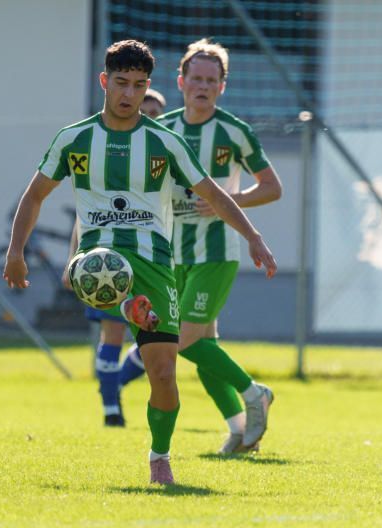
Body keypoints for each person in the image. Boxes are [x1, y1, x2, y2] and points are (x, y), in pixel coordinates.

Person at [4, 40, 276, 485]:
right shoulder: (74, 139)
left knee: (165, 377)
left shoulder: (163, 142)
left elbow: (212, 193)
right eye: (121, 83)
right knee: (94, 271)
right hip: (98, 259)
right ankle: (129, 304)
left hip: (155, 262)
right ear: (104, 82)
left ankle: (159, 453)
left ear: (148, 85)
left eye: (138, 85)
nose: (129, 94)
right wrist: (16, 251)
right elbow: (35, 195)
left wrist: (253, 236)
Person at [120, 38, 283, 454]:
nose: (203, 86)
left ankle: (253, 391)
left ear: (222, 86)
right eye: (196, 78)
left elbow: (272, 187)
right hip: (169, 256)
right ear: (181, 81)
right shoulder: (161, 129)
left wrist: (225, 203)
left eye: (212, 80)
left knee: (184, 342)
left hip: (217, 251)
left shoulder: (234, 131)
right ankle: (241, 428)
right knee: (202, 344)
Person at [60, 89, 168, 428]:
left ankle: (114, 383)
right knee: (114, 333)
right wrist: (72, 257)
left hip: (154, 261)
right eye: (144, 109)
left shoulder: (165, 152)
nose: (148, 115)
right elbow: (86, 214)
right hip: (108, 261)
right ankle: (111, 410)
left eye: (155, 112)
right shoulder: (108, 151)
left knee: (162, 333)